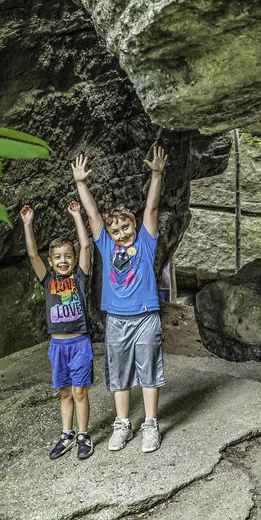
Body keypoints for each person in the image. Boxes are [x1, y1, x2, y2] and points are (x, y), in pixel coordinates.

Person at [72, 146, 167, 453]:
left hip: (145, 316)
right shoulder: (106, 245)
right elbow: (93, 215)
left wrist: (156, 174)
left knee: (149, 369)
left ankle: (151, 424)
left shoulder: (146, 242)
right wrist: (81, 183)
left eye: (126, 227)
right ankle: (122, 424)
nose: (121, 233)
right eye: (116, 231)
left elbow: (151, 209)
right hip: (116, 319)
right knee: (120, 371)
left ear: (134, 226)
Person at [20, 201, 94, 460]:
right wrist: (28, 225)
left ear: (74, 260)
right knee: (64, 392)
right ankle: (67, 435)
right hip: (58, 346)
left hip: (80, 343)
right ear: (51, 262)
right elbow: (32, 255)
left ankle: (83, 435)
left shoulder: (80, 278)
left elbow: (85, 245)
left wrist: (77, 216)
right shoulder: (49, 280)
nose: (64, 261)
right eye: (58, 258)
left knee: (79, 391)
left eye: (68, 256)